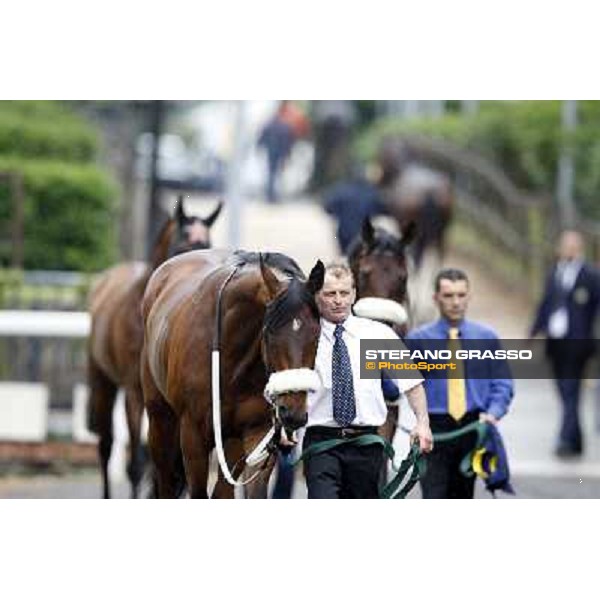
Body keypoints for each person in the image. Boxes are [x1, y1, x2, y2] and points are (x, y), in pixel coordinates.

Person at [303, 262, 433, 499]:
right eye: (330, 294)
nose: (338, 300)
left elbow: (411, 383)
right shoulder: (305, 337)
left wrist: (422, 423)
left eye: (344, 293)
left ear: (354, 294)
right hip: (322, 442)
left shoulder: (377, 334)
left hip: (366, 443)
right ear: (317, 296)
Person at [405, 268, 514, 499]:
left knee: (463, 496)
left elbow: (502, 383)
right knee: (434, 495)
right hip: (435, 429)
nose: (455, 302)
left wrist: (493, 412)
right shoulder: (418, 339)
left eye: (461, 295)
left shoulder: (486, 337)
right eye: (448, 296)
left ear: (469, 296)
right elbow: (398, 384)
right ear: (436, 298)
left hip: (473, 427)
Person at [530, 229, 600, 457]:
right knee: (565, 391)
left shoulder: (591, 275)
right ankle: (576, 440)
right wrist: (533, 332)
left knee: (570, 389)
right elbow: (545, 304)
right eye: (564, 245)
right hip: (556, 342)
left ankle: (564, 440)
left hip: (578, 343)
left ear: (579, 247)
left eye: (572, 245)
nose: (568, 249)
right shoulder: (554, 272)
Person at [257, 102, 297, 204]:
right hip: (279, 153)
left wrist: (260, 147)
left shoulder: (270, 124)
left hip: (272, 152)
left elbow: (262, 137)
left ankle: (271, 195)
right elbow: (289, 141)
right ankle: (273, 195)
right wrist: (289, 153)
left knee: (272, 174)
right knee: (277, 174)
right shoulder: (285, 125)